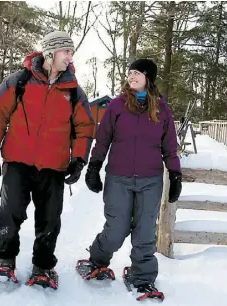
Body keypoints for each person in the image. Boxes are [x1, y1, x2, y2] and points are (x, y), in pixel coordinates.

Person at [0, 30, 95, 289]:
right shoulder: (19, 81)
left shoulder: (73, 90)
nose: (70, 57)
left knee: (50, 219)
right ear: (51, 52)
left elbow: (84, 127)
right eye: (66, 51)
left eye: (71, 52)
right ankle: (4, 259)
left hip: (53, 166)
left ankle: (43, 266)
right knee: (9, 214)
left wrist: (78, 160)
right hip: (17, 161)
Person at [76, 58, 182, 300]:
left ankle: (142, 277)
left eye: (137, 73)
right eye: (130, 72)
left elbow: (170, 148)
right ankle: (97, 260)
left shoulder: (162, 111)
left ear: (148, 77)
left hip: (150, 180)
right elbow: (102, 139)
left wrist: (175, 174)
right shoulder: (116, 106)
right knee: (116, 228)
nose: (131, 76)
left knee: (145, 233)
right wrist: (94, 166)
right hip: (119, 177)